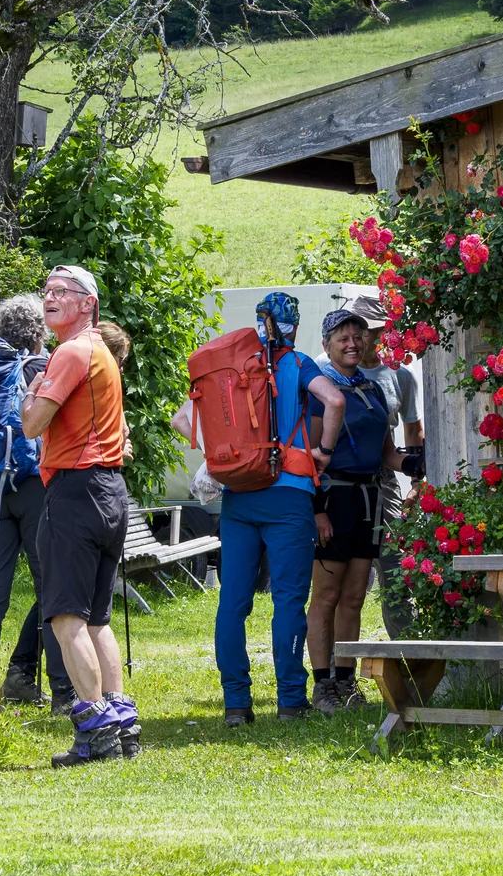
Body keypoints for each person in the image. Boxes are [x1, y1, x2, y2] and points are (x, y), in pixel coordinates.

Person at [173, 292, 343, 725]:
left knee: (232, 601)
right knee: (287, 600)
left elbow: (180, 420)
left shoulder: (229, 370)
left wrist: (226, 454)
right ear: (294, 324)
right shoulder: (300, 363)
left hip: (239, 496)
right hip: (289, 497)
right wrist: (323, 450)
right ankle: (290, 701)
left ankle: (235, 704)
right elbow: (336, 402)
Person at [20, 264, 140, 767]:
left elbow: (31, 424)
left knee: (66, 618)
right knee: (97, 619)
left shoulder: (71, 352)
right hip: (110, 491)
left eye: (62, 292)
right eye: (46, 291)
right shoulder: (102, 354)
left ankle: (95, 732)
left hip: (76, 491)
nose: (50, 298)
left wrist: (31, 387)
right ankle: (125, 725)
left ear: (87, 304)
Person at [0, 294, 74, 709]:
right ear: (38, 331)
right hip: (33, 485)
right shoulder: (40, 368)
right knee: (52, 587)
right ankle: (63, 690)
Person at [306, 308, 410, 710]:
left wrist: (413, 462)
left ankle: (346, 683)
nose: (352, 343)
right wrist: (318, 512)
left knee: (353, 598)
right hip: (334, 499)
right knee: (327, 596)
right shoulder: (320, 391)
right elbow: (311, 458)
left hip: (370, 500)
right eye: (342, 338)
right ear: (327, 345)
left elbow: (387, 455)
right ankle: (323, 686)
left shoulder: (373, 387)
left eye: (358, 336)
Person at [346, 293, 425, 643]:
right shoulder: (326, 369)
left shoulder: (399, 376)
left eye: (372, 330)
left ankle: (409, 660)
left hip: (385, 480)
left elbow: (412, 431)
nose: (364, 338)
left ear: (383, 332)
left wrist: (417, 482)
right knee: (346, 580)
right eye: (358, 329)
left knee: (396, 570)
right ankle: (336, 670)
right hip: (342, 482)